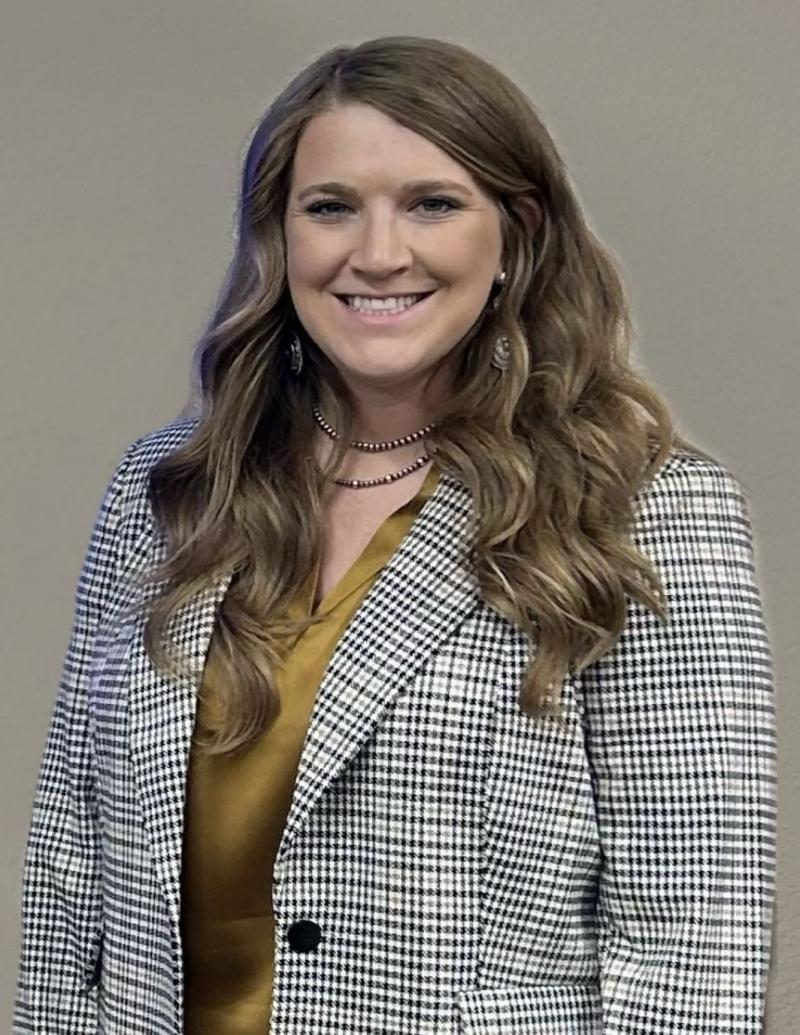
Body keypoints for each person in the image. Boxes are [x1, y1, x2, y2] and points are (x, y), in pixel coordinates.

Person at [13, 34, 776, 1035]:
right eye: (330, 207)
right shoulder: (170, 490)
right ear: (277, 236)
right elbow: (73, 873)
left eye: (431, 203)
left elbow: (694, 940)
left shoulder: (646, 510)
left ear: (517, 232)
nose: (376, 253)